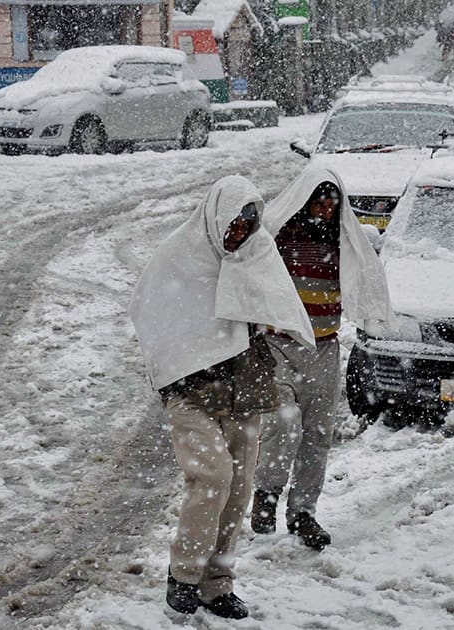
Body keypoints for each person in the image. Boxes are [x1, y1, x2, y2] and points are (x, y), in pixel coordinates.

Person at [128, 176, 314, 618]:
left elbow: (277, 304)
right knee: (212, 476)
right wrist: (180, 363)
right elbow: (149, 313)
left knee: (239, 487)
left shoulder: (256, 253)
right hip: (190, 390)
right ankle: (184, 573)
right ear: (217, 217)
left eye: (248, 226)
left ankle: (217, 583)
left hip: (244, 386)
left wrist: (268, 322)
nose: (239, 235)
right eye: (234, 225)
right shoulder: (179, 257)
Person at [251, 166, 393, 551]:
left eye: (332, 202)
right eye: (318, 200)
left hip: (324, 348)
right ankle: (265, 495)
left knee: (317, 434)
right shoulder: (277, 239)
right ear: (304, 200)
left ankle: (302, 513)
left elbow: (364, 278)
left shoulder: (343, 241)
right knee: (284, 421)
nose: (326, 209)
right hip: (277, 344)